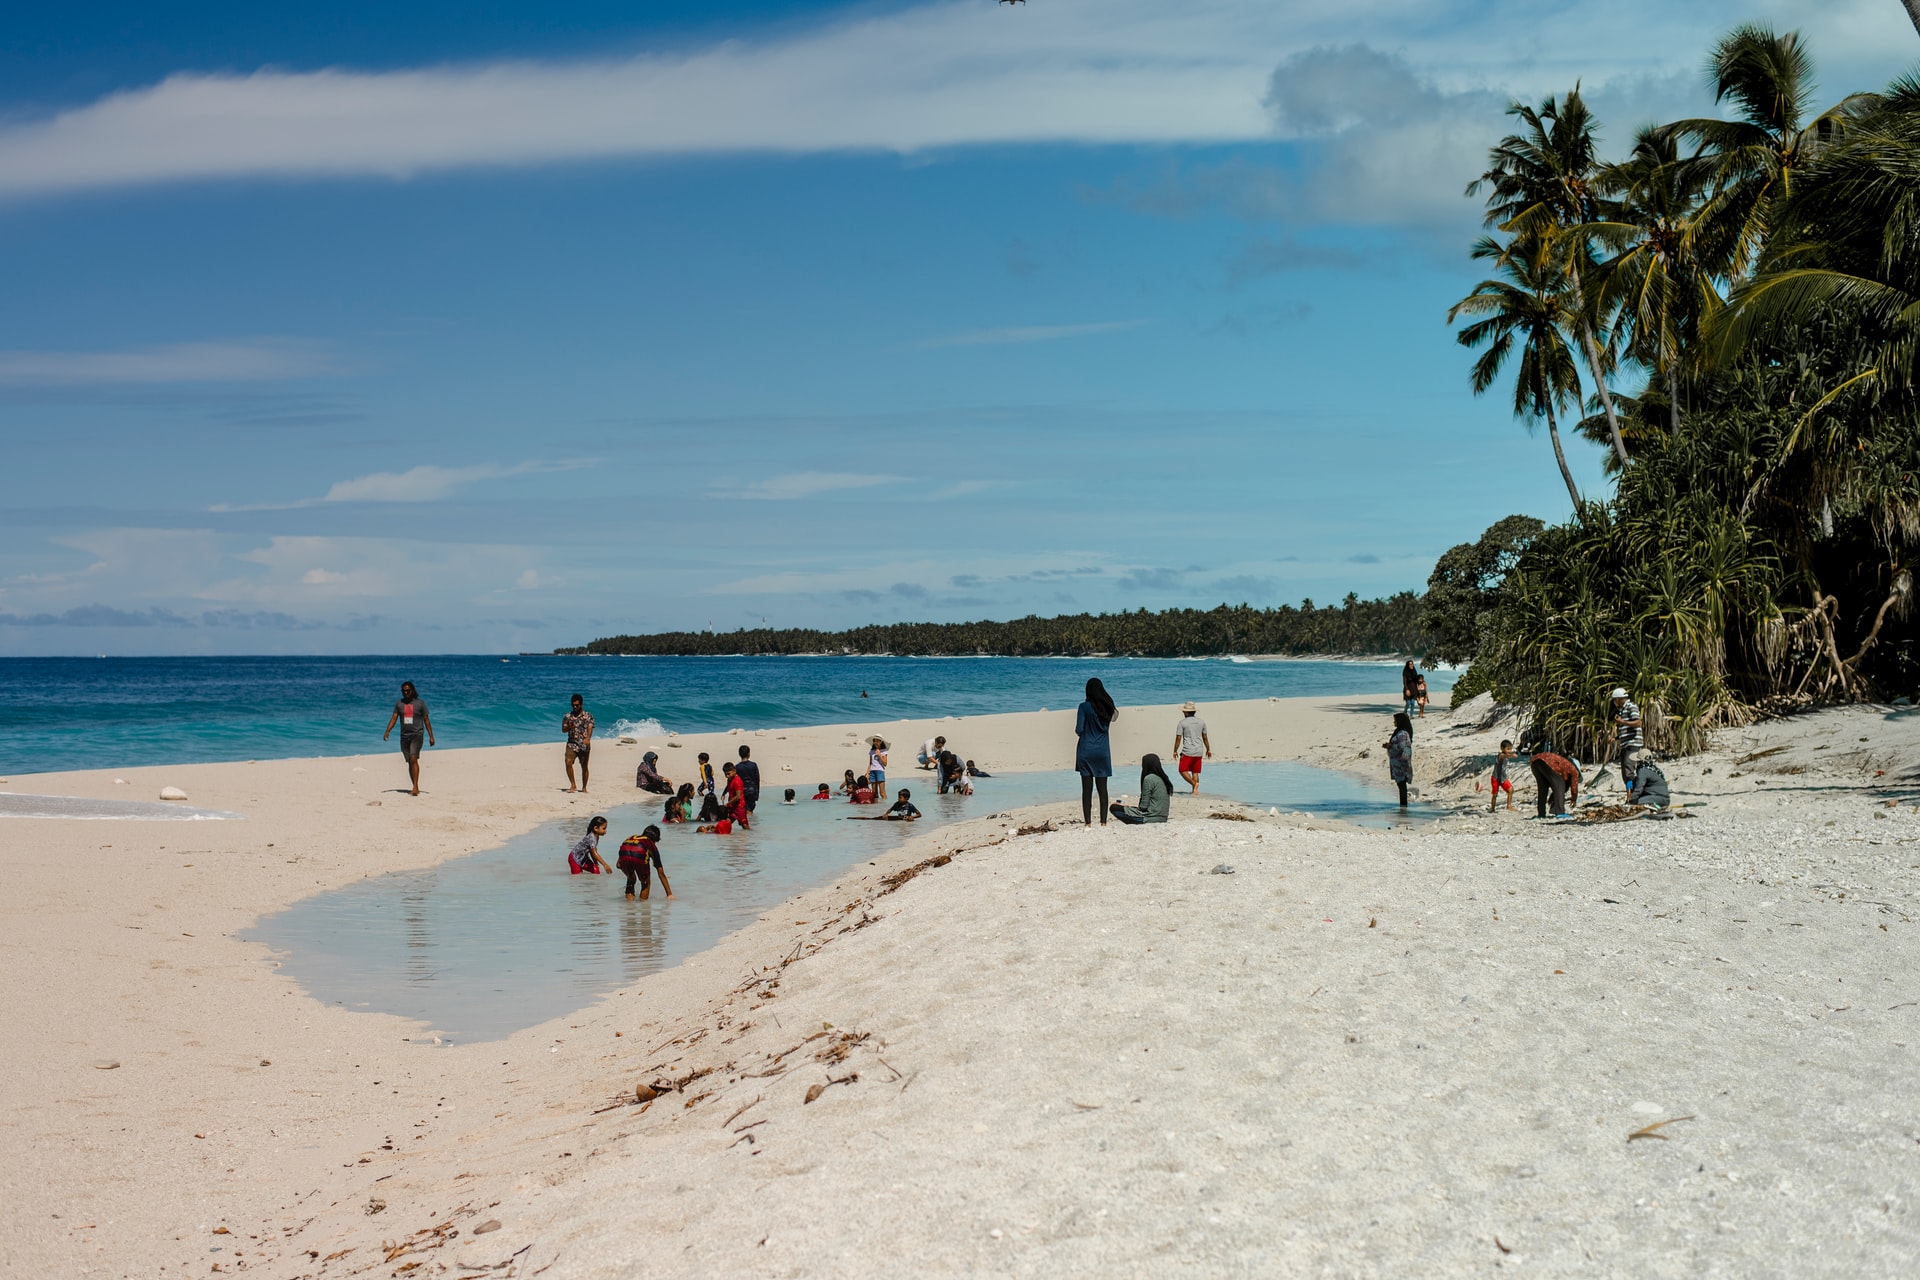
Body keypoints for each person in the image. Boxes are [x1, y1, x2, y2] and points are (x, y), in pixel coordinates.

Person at [1075, 677, 1118, 825]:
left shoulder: (1084, 707)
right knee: (1102, 789)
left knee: (1086, 789)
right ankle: (1103, 821)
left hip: (1086, 750)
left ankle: (1087, 822)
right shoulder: (1107, 708)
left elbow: (1079, 729)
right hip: (1102, 751)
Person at [382, 680, 434, 797]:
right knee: (410, 761)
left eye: (408, 691)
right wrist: (387, 731)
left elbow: (426, 720)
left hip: (417, 735)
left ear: (412, 691)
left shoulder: (420, 704)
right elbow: (394, 718)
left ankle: (415, 787)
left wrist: (431, 736)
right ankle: (414, 785)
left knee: (413, 759)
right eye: (404, 691)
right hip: (404, 736)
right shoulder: (399, 704)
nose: (406, 693)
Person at [1110, 754, 1174, 825]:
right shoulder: (1162, 778)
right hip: (1163, 817)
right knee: (1127, 808)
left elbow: (1143, 806)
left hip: (1150, 817)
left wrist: (1127, 807)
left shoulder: (1148, 779)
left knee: (1114, 808)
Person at [616, 826, 673, 901]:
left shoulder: (631, 838)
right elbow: (661, 873)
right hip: (639, 853)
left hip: (624, 854)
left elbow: (618, 865)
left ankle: (629, 907)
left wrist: (631, 875)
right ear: (655, 840)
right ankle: (644, 907)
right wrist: (669, 894)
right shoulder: (650, 843)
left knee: (631, 880)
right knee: (645, 883)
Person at [1529, 746, 1581, 817]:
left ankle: (1541, 813)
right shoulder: (1574, 771)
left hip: (1535, 761)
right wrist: (1574, 799)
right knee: (1560, 786)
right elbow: (1574, 788)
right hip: (1548, 762)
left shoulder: (1564, 766)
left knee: (1542, 789)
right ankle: (1560, 812)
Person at [1172, 701, 1211, 794]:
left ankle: (1194, 784)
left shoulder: (1182, 723)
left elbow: (1178, 738)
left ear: (1185, 712)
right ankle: (1195, 791)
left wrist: (1175, 751)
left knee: (1182, 770)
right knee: (1195, 771)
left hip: (1188, 750)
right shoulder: (1202, 722)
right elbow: (1205, 737)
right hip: (1199, 750)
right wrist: (1208, 749)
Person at [1610, 687, 1645, 783]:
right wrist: (1616, 738)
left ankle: (1631, 792)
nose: (1614, 703)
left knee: (1628, 770)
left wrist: (1622, 721)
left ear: (1618, 699)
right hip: (1626, 743)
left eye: (1615, 700)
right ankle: (1630, 789)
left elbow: (1637, 723)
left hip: (1632, 743)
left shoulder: (1631, 707)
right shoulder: (1623, 710)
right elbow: (1627, 729)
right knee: (1626, 770)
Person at [561, 694, 594, 793]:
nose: (575, 707)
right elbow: (563, 730)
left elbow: (590, 727)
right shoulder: (567, 716)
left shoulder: (588, 716)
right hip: (572, 743)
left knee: (584, 767)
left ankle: (584, 788)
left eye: (577, 705)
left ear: (581, 704)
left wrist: (588, 738)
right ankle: (573, 785)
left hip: (584, 744)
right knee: (568, 762)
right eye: (573, 705)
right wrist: (569, 727)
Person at [1385, 712, 1413, 808]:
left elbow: (1402, 747)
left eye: (1395, 721)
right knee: (1401, 784)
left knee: (1401, 784)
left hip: (1401, 762)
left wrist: (1390, 746)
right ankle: (1403, 806)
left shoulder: (1402, 733)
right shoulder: (1400, 731)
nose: (1394, 723)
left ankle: (1403, 807)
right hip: (1399, 762)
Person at [1489, 740, 1517, 813]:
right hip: (1495, 778)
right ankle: (1492, 809)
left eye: (1510, 749)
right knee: (1495, 794)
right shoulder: (1500, 755)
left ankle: (1509, 805)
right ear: (1502, 748)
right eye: (1507, 749)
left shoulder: (1507, 755)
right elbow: (1504, 755)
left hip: (1503, 778)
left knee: (1511, 789)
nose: (1509, 750)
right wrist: (1511, 755)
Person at [722, 761, 751, 829]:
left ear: (734, 771)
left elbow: (738, 796)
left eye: (728, 774)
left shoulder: (737, 781)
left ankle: (748, 837)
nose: (727, 776)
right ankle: (727, 837)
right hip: (732, 806)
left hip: (739, 807)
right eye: (725, 774)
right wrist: (724, 793)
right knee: (727, 822)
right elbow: (728, 786)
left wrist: (728, 803)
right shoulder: (729, 779)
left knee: (744, 826)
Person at [735, 745, 761, 814]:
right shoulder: (753, 765)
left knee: (742, 811)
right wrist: (757, 793)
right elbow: (757, 779)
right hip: (752, 790)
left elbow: (735, 781)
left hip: (742, 791)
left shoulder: (737, 767)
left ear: (739, 754)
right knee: (749, 811)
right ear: (749, 754)